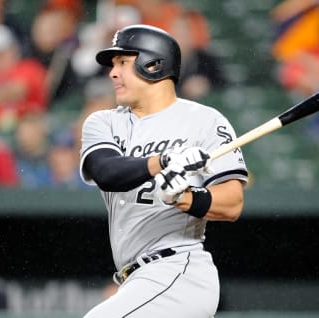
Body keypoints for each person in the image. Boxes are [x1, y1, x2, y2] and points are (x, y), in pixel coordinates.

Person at [79, 25, 248, 317]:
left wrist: (183, 197)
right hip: (134, 279)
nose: (112, 73)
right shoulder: (103, 122)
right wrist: (165, 161)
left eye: (123, 63)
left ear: (154, 64)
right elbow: (106, 171)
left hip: (180, 269)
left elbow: (232, 203)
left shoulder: (204, 121)